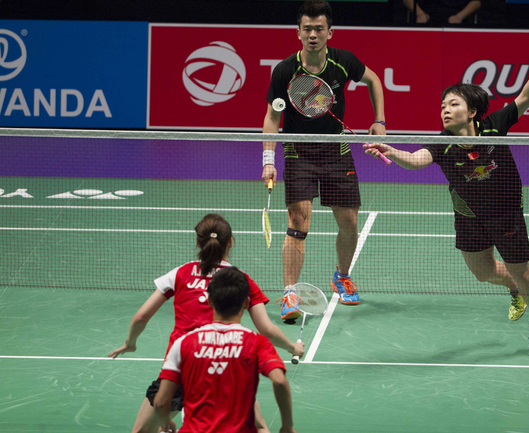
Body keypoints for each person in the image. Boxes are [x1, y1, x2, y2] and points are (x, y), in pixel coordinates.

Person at [364, 33, 529, 357]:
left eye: (453, 104)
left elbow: (527, 95)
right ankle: (514, 290)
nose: (445, 109)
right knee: (483, 273)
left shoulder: (495, 125)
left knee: (523, 272)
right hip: (469, 216)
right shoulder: (443, 143)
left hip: (506, 214)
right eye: (443, 105)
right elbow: (416, 161)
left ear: (472, 112)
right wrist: (390, 149)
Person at [108, 213, 305, 432]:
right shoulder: (240, 279)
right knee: (259, 427)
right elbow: (266, 329)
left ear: (197, 242)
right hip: (231, 364)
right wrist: (292, 347)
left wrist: (130, 342)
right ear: (231, 242)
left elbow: (141, 317)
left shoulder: (180, 273)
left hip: (186, 365)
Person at [262, 0, 387, 322]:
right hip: (299, 151)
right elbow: (272, 118)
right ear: (298, 33)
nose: (313, 35)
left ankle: (341, 275)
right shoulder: (285, 71)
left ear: (330, 32)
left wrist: (380, 120)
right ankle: (290, 293)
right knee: (298, 221)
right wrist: (268, 159)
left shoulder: (343, 62)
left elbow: (374, 80)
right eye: (307, 29)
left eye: (319, 29)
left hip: (336, 150)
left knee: (349, 222)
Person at [153, 267, 297, 433]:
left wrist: (165, 421)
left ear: (210, 301)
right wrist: (287, 426)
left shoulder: (183, 343)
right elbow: (279, 381)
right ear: (246, 302)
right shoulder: (257, 343)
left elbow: (160, 402)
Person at [403, 0, 481, 26]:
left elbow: (476, 2)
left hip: (457, 23)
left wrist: (459, 16)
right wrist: (419, 13)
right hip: (425, 21)